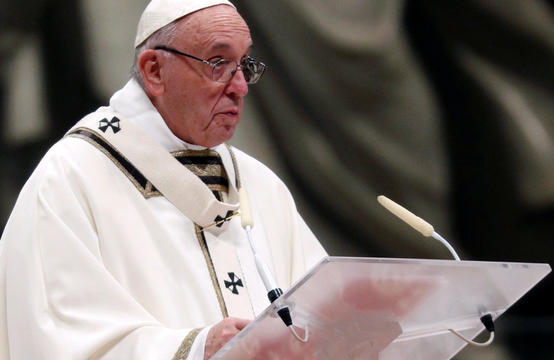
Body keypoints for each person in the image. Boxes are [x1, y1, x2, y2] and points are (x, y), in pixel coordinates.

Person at [0, 0, 327, 359]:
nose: (240, 87)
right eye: (218, 63)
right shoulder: (71, 178)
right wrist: (197, 348)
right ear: (154, 70)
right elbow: (55, 336)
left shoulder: (258, 182)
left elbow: (325, 314)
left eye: (244, 65)